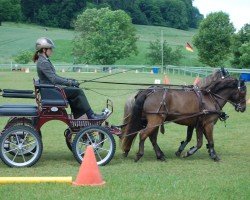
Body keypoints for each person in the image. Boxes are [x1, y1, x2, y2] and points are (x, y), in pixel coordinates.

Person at [33, 37, 105, 120]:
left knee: (74, 90)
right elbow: (54, 79)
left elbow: (55, 77)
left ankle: (79, 116)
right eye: (50, 48)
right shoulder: (43, 62)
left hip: (51, 89)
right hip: (52, 91)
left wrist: (69, 80)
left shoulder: (43, 60)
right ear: (44, 50)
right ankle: (91, 115)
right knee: (78, 91)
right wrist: (70, 83)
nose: (52, 50)